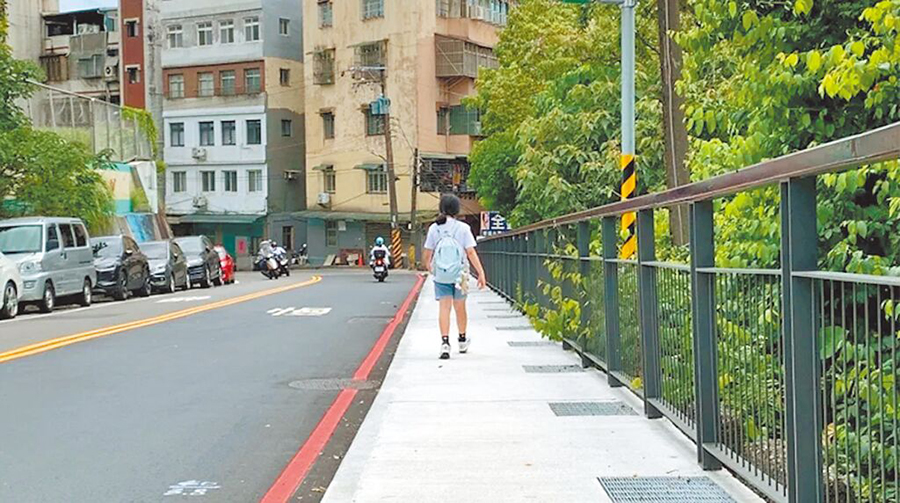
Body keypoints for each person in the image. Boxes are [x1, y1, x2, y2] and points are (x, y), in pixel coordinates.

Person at [422, 194, 487, 360]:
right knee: (460, 307)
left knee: (444, 307)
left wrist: (430, 266)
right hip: (460, 274)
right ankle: (462, 340)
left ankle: (445, 343)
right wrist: (480, 272)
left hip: (441, 274)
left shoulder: (434, 228)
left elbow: (428, 253)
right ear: (457, 209)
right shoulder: (463, 228)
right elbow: (470, 252)